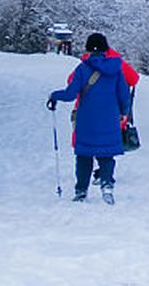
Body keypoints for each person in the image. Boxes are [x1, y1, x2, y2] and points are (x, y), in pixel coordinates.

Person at [47, 32, 133, 204]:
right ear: (105, 48)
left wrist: (54, 95)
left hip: (87, 119)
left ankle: (81, 191)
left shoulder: (82, 69)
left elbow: (71, 94)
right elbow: (124, 94)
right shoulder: (116, 69)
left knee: (84, 155)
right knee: (106, 155)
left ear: (88, 48)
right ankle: (107, 186)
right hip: (109, 118)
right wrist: (124, 112)